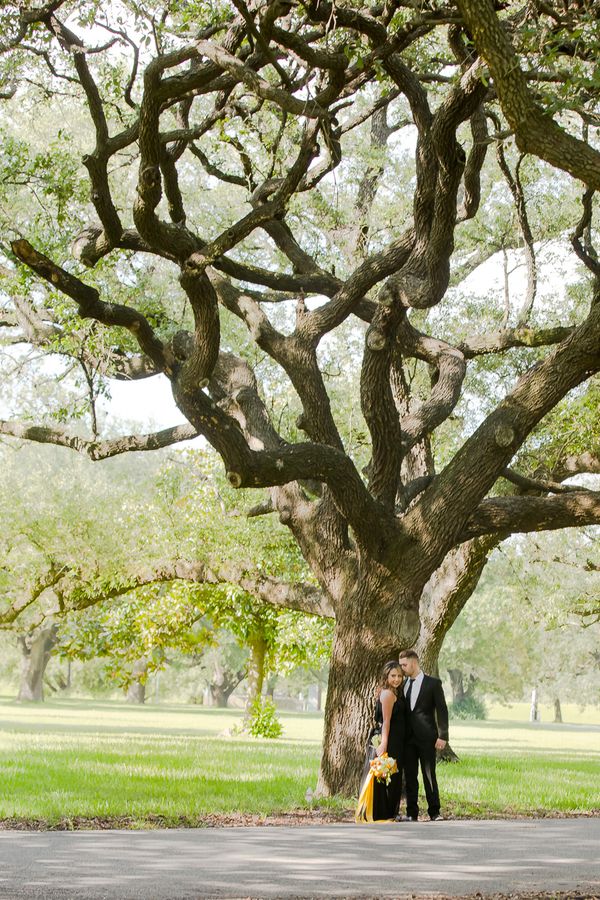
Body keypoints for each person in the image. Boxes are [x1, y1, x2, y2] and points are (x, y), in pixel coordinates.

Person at [398, 648, 448, 822]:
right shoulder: (402, 684)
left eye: (404, 665)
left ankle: (435, 812)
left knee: (429, 774)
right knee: (410, 776)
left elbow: (442, 710)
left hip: (428, 738)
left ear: (413, 662)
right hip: (408, 740)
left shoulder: (433, 684)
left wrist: (443, 736)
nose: (402, 668)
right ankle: (412, 813)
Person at [363, 660, 406, 821]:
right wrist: (384, 744)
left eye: (399, 676)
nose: (396, 679)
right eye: (393, 676)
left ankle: (389, 812)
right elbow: (386, 721)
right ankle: (385, 813)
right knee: (389, 776)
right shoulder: (388, 694)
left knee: (391, 776)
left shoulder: (394, 692)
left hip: (396, 739)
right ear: (386, 676)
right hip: (390, 740)